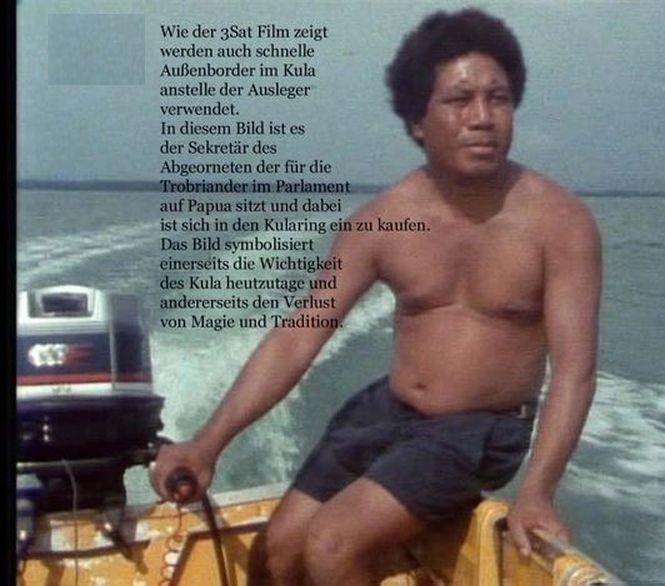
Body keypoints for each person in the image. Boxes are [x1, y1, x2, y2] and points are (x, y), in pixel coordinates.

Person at [151, 8, 602, 585]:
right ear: (417, 122)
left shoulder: (558, 224)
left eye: (499, 99)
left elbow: (574, 371)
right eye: (459, 100)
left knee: (333, 545)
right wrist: (207, 444)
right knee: (277, 555)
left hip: (482, 429)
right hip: (390, 411)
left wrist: (538, 491)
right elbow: (298, 337)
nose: (483, 118)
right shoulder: (382, 222)